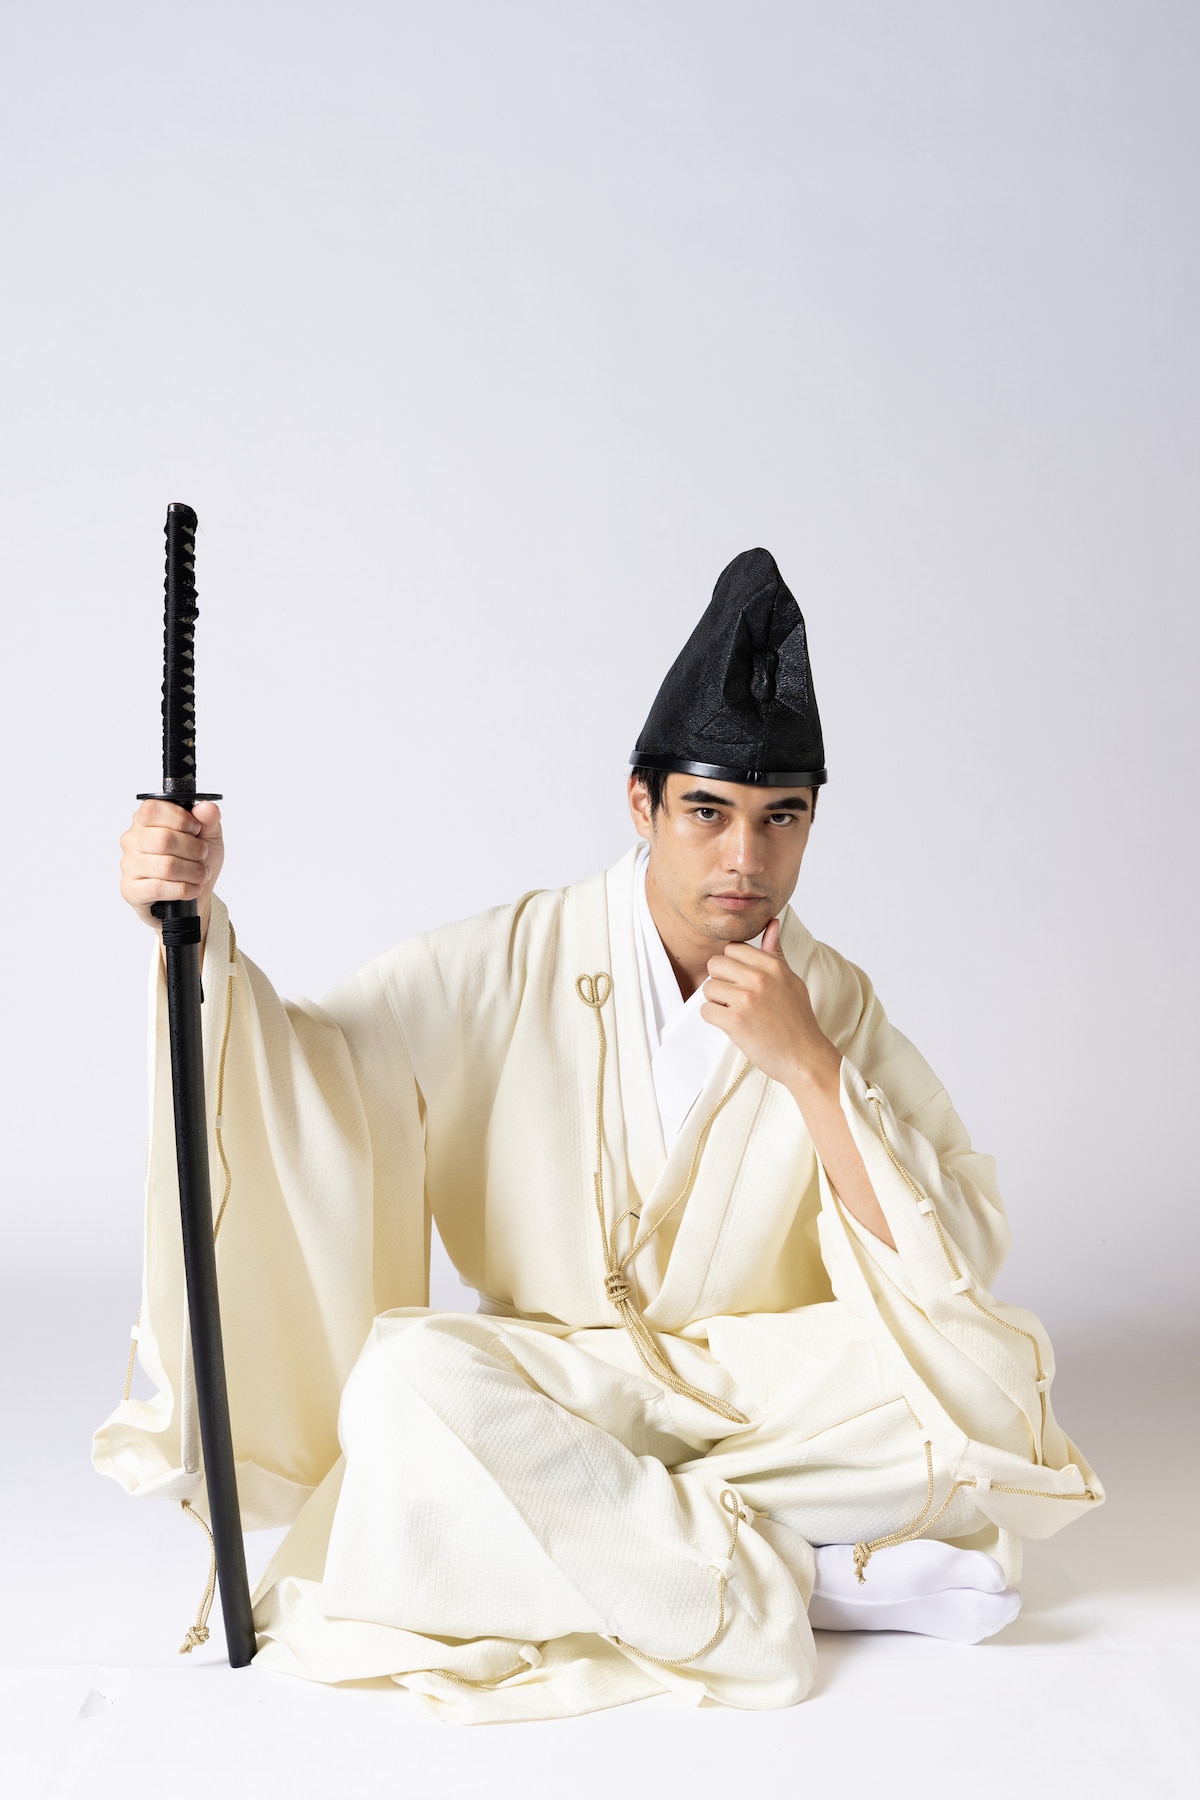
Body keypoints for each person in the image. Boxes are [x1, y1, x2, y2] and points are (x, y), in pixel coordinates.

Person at [100, 548, 1101, 1722]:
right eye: (708, 813)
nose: (745, 859)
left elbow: (947, 1264)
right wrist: (197, 935)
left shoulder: (828, 998)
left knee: (989, 1386)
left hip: (750, 1390)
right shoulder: (508, 959)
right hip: (560, 1383)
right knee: (408, 1381)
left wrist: (810, 1067)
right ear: (643, 804)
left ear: (811, 821)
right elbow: (309, 1077)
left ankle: (592, 1535)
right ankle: (763, 1578)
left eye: (780, 818)